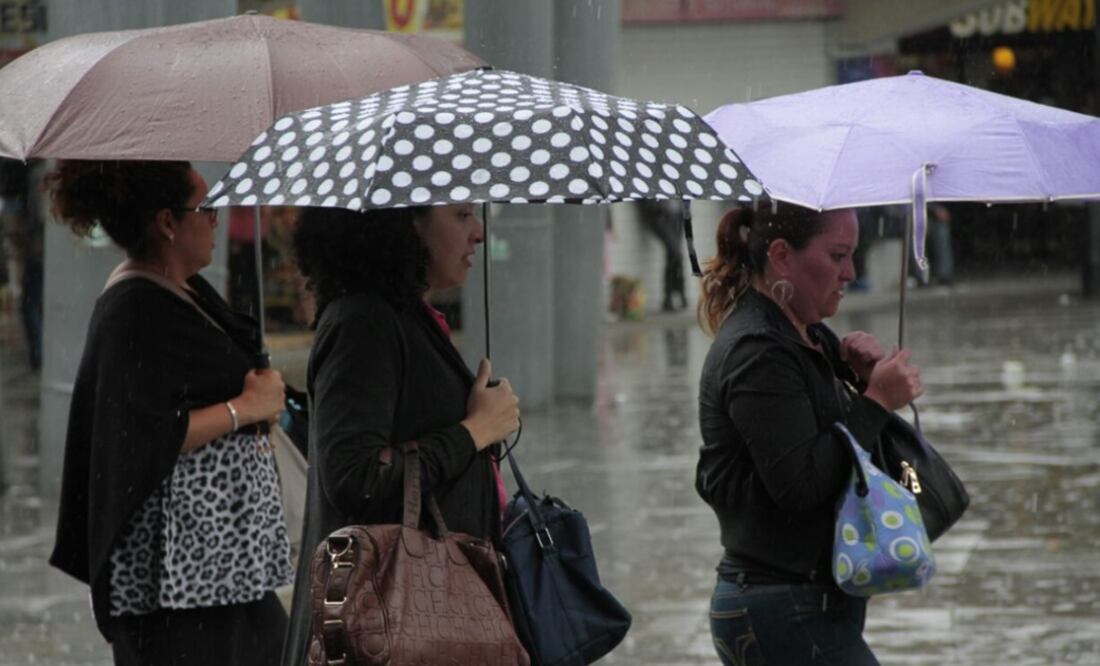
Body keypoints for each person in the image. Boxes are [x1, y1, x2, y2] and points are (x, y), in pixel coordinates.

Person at [46, 160, 292, 666]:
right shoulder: (134, 309)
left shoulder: (183, 291)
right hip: (182, 582)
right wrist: (244, 407)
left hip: (224, 570)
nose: (217, 218)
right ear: (166, 222)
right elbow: (140, 432)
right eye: (204, 207)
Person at [283, 203, 520, 665]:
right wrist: (472, 432)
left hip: (430, 620)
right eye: (460, 215)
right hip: (383, 625)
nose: (479, 232)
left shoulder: (406, 317)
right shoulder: (361, 323)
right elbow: (355, 476)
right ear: (407, 224)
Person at [695, 203, 924, 665]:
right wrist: (875, 401)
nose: (850, 272)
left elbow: (846, 458)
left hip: (804, 602)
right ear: (781, 256)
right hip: (781, 607)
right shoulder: (759, 350)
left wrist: (861, 383)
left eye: (852, 255)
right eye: (838, 255)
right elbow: (800, 485)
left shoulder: (809, 337)